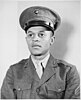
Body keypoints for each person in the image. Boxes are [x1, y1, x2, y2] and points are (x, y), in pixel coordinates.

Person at [1, 6, 80, 99]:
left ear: (51, 40)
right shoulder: (14, 71)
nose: (35, 39)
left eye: (41, 34)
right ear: (26, 39)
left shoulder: (68, 72)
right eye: (30, 35)